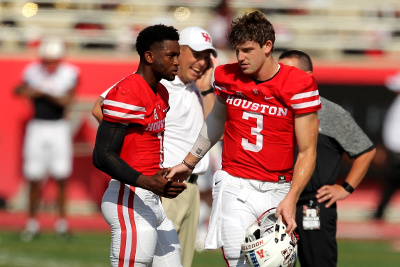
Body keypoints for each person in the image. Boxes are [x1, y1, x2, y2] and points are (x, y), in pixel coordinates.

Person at [166, 11, 321, 267]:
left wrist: (292, 197)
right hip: (235, 183)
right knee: (240, 255)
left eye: (248, 50)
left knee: (272, 262)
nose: (241, 57)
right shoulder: (227, 76)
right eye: (238, 50)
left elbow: (307, 151)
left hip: (278, 186)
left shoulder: (298, 83)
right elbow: (216, 120)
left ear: (268, 46)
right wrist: (189, 162)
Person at [92, 26, 218, 267]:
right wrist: (147, 179)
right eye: (172, 55)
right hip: (130, 195)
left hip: (152, 197)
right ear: (150, 56)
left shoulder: (161, 91)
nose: (177, 61)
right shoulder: (128, 90)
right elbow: (102, 154)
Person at [278, 49, 376, 267]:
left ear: (309, 76)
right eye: (280, 72)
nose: (284, 79)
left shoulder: (331, 112)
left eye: (290, 73)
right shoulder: (274, 107)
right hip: (276, 201)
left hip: (314, 205)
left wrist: (346, 188)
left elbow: (366, 151)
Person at [14, 36, 80, 242]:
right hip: (37, 126)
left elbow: (67, 100)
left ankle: (62, 224)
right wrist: (27, 90)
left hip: (58, 126)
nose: (50, 64)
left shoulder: (70, 73)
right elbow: (17, 90)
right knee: (34, 176)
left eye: (53, 60)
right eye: (47, 60)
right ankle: (32, 224)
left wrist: (42, 92)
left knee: (61, 176)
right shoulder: (32, 70)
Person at [373, 71, 400, 220]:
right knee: (390, 183)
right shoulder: (397, 101)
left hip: (397, 152)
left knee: (390, 183)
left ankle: (379, 212)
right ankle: (379, 212)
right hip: (395, 153)